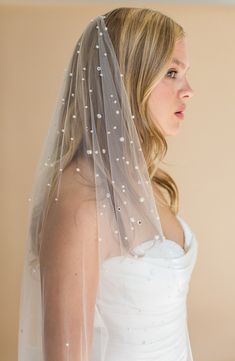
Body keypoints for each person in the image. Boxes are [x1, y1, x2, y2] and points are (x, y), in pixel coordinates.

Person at [18, 7, 198, 361]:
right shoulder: (79, 205)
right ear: (129, 77)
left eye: (185, 74)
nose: (188, 90)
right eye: (172, 73)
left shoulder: (144, 182)